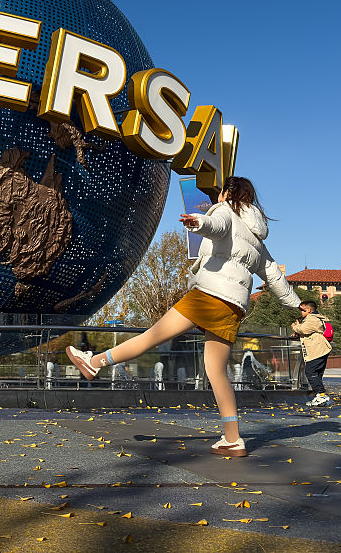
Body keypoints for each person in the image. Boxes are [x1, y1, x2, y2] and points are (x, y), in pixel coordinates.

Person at [67, 176, 300, 457]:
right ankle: (233, 438)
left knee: (152, 336)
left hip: (210, 294)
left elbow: (217, 225)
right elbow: (273, 274)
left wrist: (199, 222)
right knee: (216, 372)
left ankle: (94, 363)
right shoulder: (257, 238)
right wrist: (296, 303)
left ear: (228, 193)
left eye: (221, 192)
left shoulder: (226, 211)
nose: (219, 196)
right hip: (234, 305)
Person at [292, 301, 333, 406]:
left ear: (309, 310)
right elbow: (309, 331)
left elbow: (304, 329)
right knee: (317, 373)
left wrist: (295, 327)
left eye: (302, 310)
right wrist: (298, 334)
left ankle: (321, 395)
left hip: (317, 350)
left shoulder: (311, 318)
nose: (301, 312)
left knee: (310, 371)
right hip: (320, 349)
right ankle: (320, 397)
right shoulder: (316, 318)